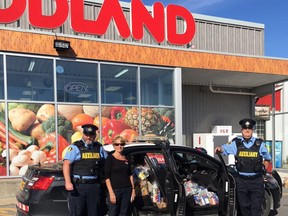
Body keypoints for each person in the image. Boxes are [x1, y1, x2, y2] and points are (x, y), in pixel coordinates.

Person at [215, 118, 271, 216]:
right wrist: (219, 149)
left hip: (256, 181)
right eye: (245, 128)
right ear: (242, 130)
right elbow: (224, 150)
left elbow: (267, 158)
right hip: (241, 181)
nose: (247, 130)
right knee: (244, 208)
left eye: (249, 128)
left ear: (252, 130)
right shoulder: (236, 143)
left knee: (256, 209)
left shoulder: (260, 144)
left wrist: (263, 173)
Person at [63, 124, 107, 216]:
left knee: (94, 213)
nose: (88, 137)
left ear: (95, 136)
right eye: (86, 135)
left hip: (94, 186)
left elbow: (106, 164)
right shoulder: (75, 147)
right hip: (79, 186)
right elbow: (66, 164)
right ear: (83, 134)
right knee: (78, 212)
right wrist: (68, 182)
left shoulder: (99, 148)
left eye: (91, 135)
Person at [104, 135, 136, 216]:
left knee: (124, 213)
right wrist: (111, 193)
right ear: (114, 146)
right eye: (117, 144)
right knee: (113, 213)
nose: (119, 146)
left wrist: (133, 189)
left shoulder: (127, 158)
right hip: (115, 190)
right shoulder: (110, 158)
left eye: (121, 144)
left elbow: (130, 174)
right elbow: (107, 177)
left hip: (127, 189)